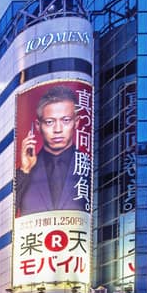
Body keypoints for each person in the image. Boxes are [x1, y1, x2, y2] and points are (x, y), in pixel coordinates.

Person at [14, 84, 88, 216]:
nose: (58, 129)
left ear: (76, 122)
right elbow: (7, 213)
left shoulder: (87, 167)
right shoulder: (26, 171)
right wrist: (25, 170)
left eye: (65, 120)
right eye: (49, 122)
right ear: (38, 125)